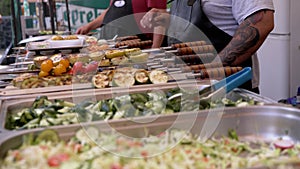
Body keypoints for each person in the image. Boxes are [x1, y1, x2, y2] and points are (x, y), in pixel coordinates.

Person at [140, 0, 274, 93]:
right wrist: (169, 18)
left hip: (228, 87)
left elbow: (261, 23)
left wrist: (213, 68)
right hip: (189, 86)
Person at [76, 0, 167, 48]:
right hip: (110, 47)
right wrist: (89, 26)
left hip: (137, 48)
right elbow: (110, 11)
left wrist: (155, 48)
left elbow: (160, 16)